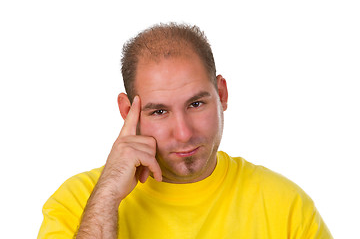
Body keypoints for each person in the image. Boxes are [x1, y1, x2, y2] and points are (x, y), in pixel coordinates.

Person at [38, 23, 333, 239]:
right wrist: (108, 196)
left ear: (222, 94)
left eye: (195, 103)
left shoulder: (286, 205)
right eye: (160, 111)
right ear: (128, 113)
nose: (183, 133)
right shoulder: (79, 203)